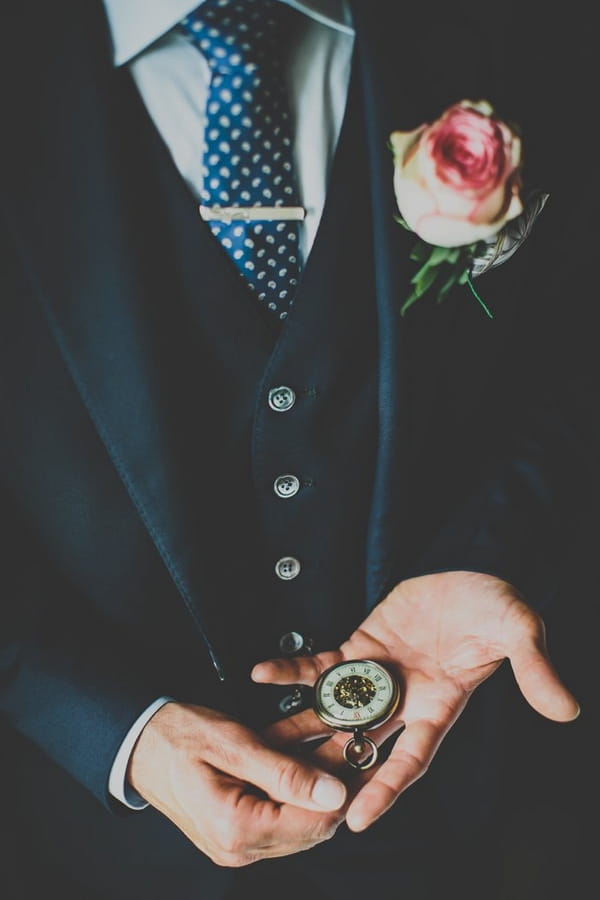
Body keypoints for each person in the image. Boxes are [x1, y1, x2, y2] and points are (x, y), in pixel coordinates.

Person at [0, 1, 596, 899]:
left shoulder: (524, 32)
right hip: (89, 838)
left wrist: (489, 555)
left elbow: (570, 361)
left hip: (462, 807)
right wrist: (117, 730)